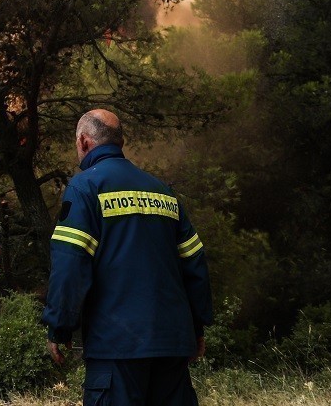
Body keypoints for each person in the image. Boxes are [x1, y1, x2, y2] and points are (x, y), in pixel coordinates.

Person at [42, 110, 212, 406]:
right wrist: (196, 328)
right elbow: (194, 262)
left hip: (116, 348)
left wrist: (59, 326)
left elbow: (70, 262)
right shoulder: (163, 191)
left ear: (83, 141)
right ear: (120, 142)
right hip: (172, 345)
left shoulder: (85, 188)